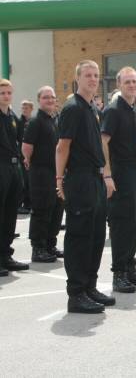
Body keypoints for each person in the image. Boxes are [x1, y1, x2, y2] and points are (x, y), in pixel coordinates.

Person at [56, 60, 113, 313]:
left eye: (96, 75)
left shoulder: (91, 107)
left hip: (95, 178)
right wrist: (59, 180)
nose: (92, 79)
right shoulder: (73, 108)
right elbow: (62, 147)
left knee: (96, 235)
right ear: (77, 77)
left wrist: (105, 175)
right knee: (79, 237)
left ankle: (89, 286)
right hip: (79, 179)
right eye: (87, 75)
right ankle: (76, 294)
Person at [101, 67, 136, 293]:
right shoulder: (114, 109)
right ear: (119, 84)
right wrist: (107, 174)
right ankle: (119, 274)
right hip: (121, 172)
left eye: (135, 81)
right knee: (123, 224)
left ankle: (129, 267)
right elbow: (103, 142)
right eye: (127, 82)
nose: (132, 85)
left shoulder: (130, 109)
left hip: (135, 171)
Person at [22, 86, 64, 263]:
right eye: (46, 97)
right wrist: (31, 164)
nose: (50, 100)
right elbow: (26, 148)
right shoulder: (35, 122)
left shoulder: (54, 120)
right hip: (41, 172)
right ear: (39, 100)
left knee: (56, 209)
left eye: (52, 97)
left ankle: (50, 245)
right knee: (42, 210)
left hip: (56, 172)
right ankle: (38, 248)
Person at [0, 79, 28, 276]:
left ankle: (5, 255)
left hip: (13, 167)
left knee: (10, 212)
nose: (6, 96)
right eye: (2, 93)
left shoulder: (12, 116)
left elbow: (19, 140)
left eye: (9, 93)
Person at [18, 99, 34, 214]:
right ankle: (26, 204)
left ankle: (30, 203)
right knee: (24, 181)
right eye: (23, 108)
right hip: (21, 156)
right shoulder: (18, 122)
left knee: (30, 181)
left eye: (26, 108)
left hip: (32, 156)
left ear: (31, 109)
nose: (24, 110)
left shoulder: (33, 122)